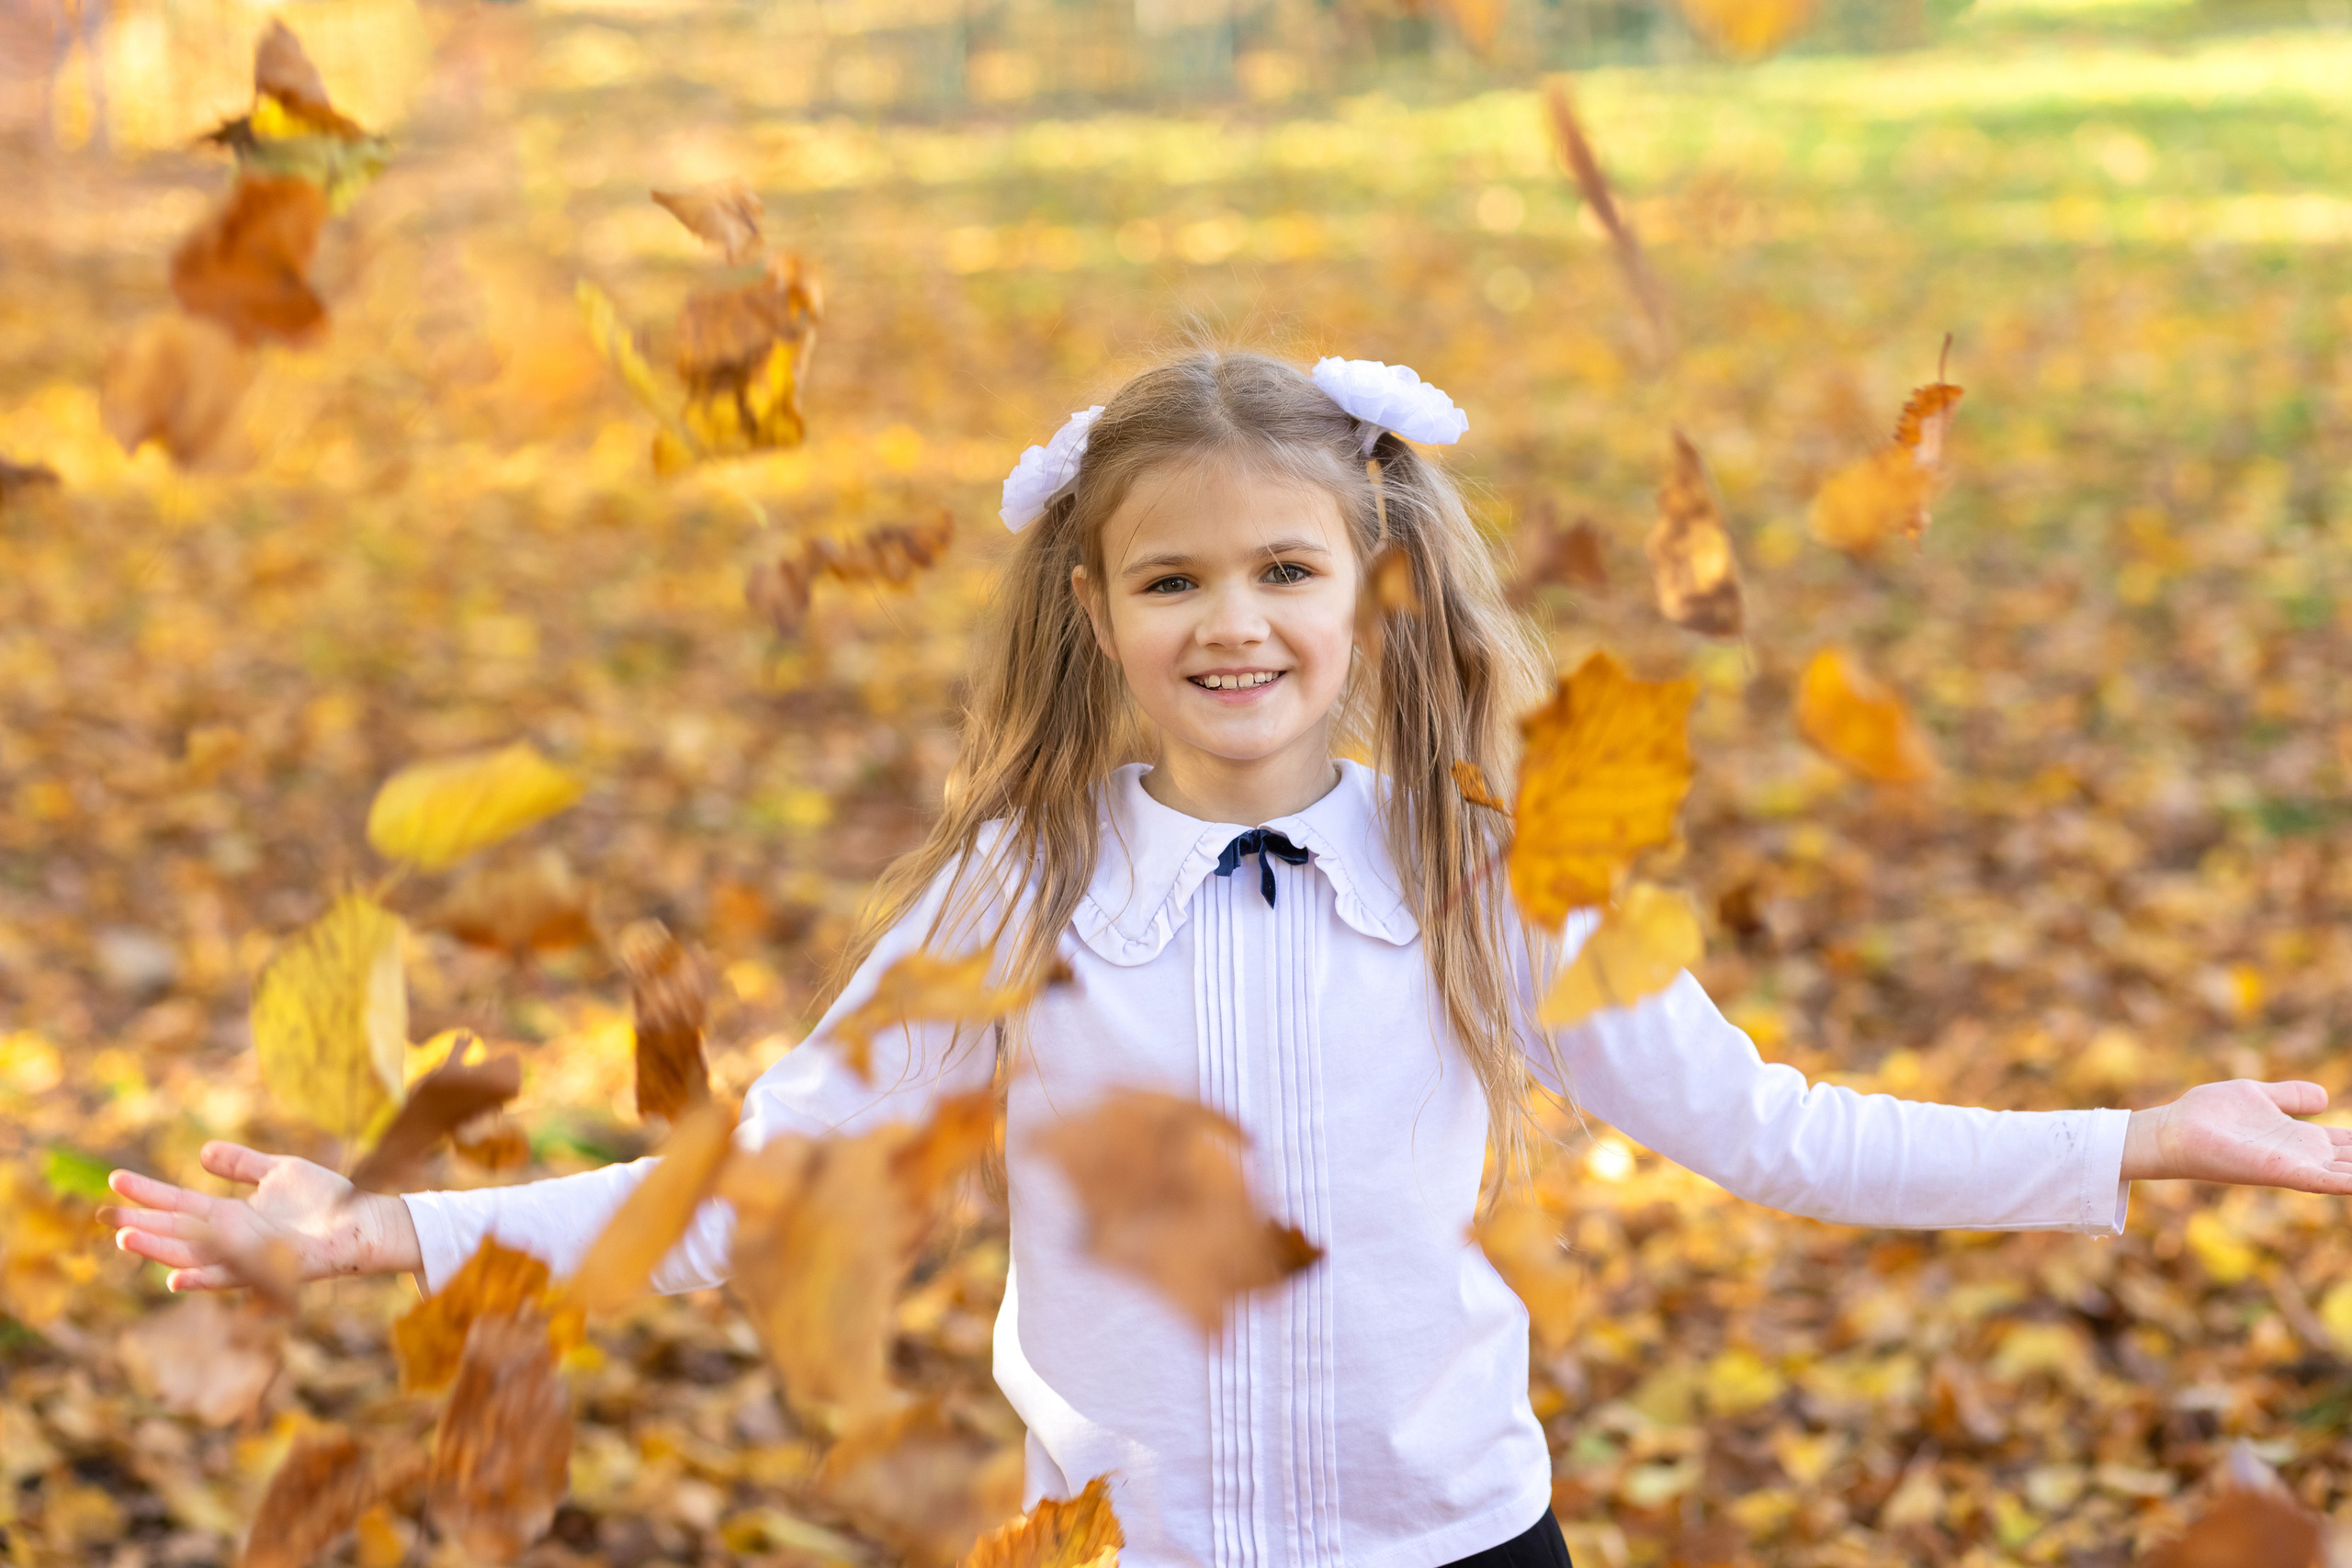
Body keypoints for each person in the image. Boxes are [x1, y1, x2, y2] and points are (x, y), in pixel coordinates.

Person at [104, 349, 2352, 1568]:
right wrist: (373, 1227)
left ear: (1371, 590)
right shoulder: (1008, 895)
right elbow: (756, 1187)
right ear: (1094, 611)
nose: (1233, 620)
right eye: (1172, 579)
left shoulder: (1499, 875)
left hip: (1455, 1557)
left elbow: (1770, 1130)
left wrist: (2136, 1134)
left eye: (1282, 565)